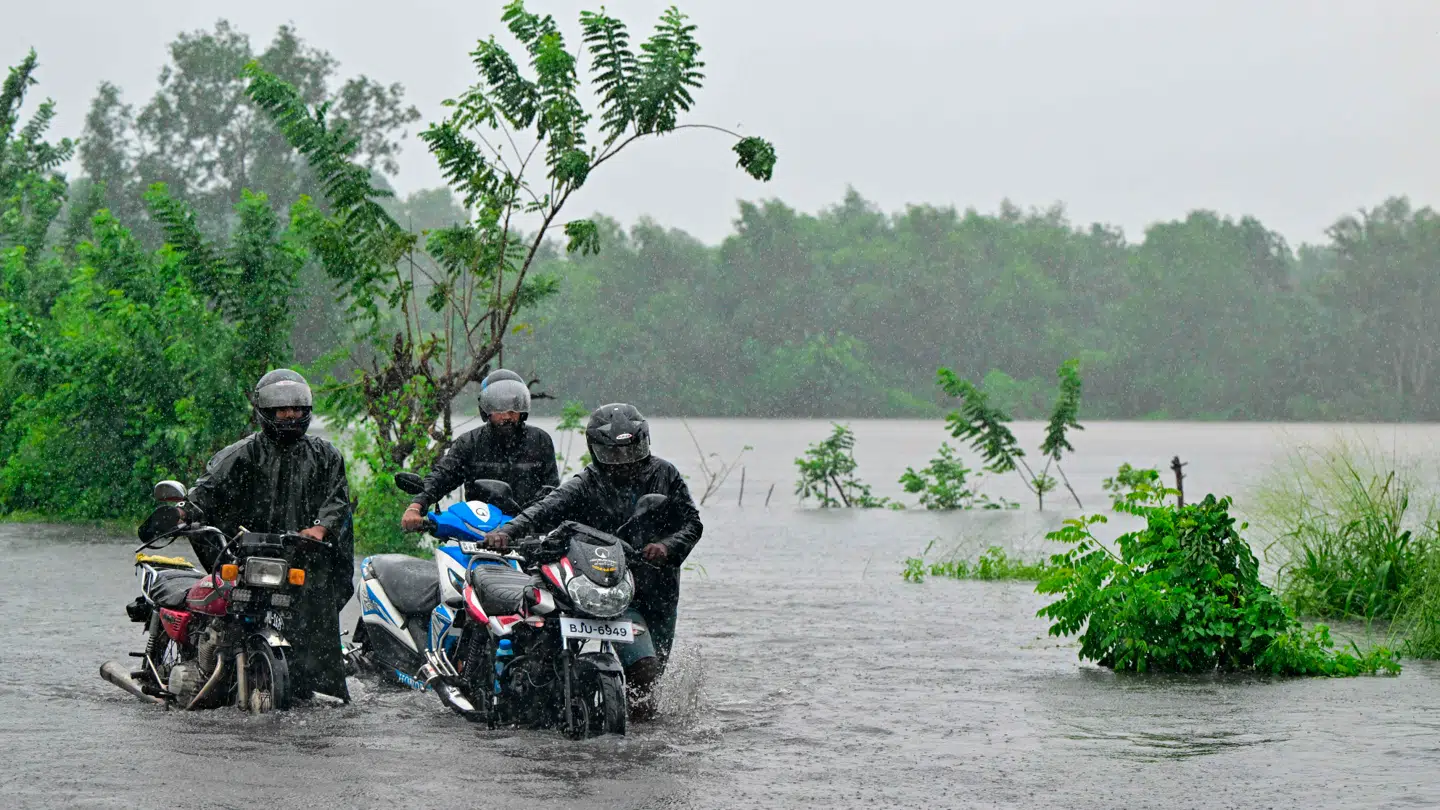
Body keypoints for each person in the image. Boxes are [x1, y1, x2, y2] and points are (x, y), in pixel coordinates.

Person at [483, 403, 702, 720]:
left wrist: (667, 546)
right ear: (598, 450)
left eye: (632, 450)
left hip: (659, 589)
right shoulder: (587, 482)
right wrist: (507, 531)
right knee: (642, 665)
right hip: (608, 584)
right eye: (616, 454)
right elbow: (544, 508)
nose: (626, 463)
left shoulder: (664, 474)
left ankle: (638, 738)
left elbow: (692, 524)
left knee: (650, 681)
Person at [185, 368, 354, 702]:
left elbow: (337, 503)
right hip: (247, 554)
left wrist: (320, 528)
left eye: (295, 408)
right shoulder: (239, 454)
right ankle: (211, 673)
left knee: (317, 625)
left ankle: (317, 690)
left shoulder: (326, 456)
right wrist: (182, 511)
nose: (289, 414)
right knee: (229, 613)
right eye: (281, 409)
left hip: (303, 559)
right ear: (265, 411)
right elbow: (204, 494)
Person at [401, 369, 559, 531]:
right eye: (499, 410)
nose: (506, 416)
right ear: (486, 411)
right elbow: (442, 477)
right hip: (479, 532)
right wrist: (416, 505)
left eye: (513, 410)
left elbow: (552, 492)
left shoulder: (540, 441)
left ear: (522, 410)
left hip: (528, 534)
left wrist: (534, 521)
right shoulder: (469, 443)